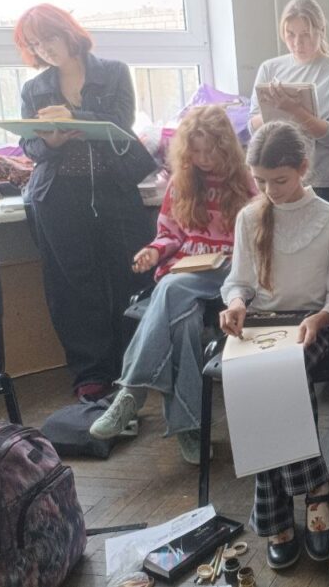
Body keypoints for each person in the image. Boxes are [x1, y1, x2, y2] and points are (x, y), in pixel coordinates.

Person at [219, 121, 329, 569]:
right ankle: (316, 490)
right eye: (260, 181)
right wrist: (236, 304)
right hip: (261, 325)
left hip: (312, 323)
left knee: (280, 378)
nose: (270, 191)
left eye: (279, 180)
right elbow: (238, 283)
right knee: (262, 379)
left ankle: (274, 512)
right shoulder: (249, 217)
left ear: (303, 168)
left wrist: (320, 318)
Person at [88, 107, 255, 462]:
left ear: (226, 147)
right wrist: (153, 251)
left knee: (169, 288)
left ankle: (132, 389)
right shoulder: (181, 183)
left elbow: (256, 238)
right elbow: (170, 234)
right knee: (183, 326)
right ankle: (189, 427)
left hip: (229, 271)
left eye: (211, 151)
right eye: (197, 152)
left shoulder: (245, 183)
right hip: (189, 272)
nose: (204, 159)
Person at [14, 3, 155, 400]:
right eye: (34, 45)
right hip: (58, 196)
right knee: (73, 285)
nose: (44, 49)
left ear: (67, 31)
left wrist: (75, 115)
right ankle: (90, 372)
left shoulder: (114, 72)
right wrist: (50, 141)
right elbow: (29, 145)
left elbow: (121, 124)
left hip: (113, 188)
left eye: (48, 38)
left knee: (130, 275)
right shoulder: (34, 88)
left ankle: (133, 365)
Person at [249, 0, 329, 206]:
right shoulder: (269, 68)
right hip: (278, 176)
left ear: (321, 31)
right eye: (290, 34)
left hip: (324, 181)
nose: (297, 43)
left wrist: (296, 111)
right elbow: (253, 127)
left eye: (306, 34)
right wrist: (276, 111)